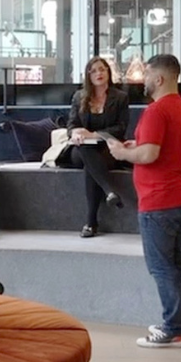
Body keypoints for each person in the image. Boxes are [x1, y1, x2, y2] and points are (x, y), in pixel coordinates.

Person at [107, 54, 181, 348]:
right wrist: (138, 146)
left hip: (159, 201)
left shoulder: (156, 112)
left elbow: (149, 156)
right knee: (176, 263)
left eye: (147, 74)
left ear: (159, 79)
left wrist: (122, 153)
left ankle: (173, 329)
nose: (143, 80)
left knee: (162, 267)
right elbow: (159, 147)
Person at [65, 56, 130, 238]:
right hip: (80, 149)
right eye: (93, 71)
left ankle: (91, 222)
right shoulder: (79, 97)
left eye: (102, 69)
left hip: (107, 148)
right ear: (88, 76)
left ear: (108, 72)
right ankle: (109, 190)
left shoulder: (120, 97)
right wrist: (77, 133)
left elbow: (121, 128)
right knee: (86, 151)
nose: (98, 74)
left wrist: (94, 135)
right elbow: (71, 125)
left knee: (91, 166)